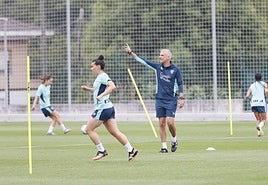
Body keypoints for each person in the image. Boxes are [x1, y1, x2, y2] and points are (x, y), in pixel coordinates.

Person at [124, 43, 184, 153]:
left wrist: (181, 98)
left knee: (170, 122)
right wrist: (130, 53)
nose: (160, 57)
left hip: (171, 99)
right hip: (159, 99)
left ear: (168, 58)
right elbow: (143, 61)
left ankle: (174, 139)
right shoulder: (157, 67)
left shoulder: (175, 70)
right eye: (160, 55)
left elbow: (180, 84)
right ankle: (164, 147)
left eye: (162, 55)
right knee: (161, 123)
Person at [81, 55, 138, 161]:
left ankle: (101, 151)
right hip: (108, 107)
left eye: (92, 66)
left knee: (89, 129)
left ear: (98, 66)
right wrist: (88, 89)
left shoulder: (103, 76)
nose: (91, 68)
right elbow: (98, 91)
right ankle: (131, 150)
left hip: (102, 108)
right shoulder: (99, 77)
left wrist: (101, 96)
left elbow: (112, 86)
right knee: (115, 132)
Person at [246, 72, 268, 137]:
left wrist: (252, 100)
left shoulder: (252, 85)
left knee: (258, 119)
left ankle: (259, 133)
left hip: (253, 103)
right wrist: (267, 97)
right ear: (261, 77)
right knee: (264, 119)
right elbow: (266, 91)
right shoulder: (264, 84)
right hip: (261, 103)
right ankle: (259, 127)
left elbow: (247, 96)